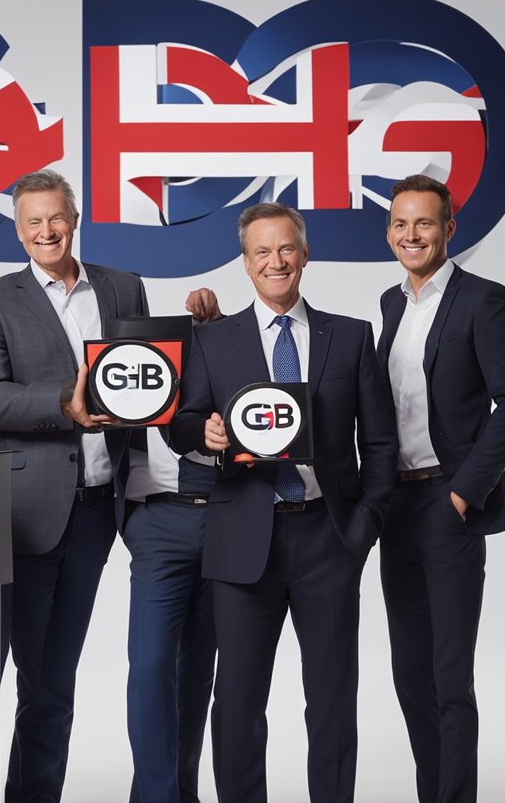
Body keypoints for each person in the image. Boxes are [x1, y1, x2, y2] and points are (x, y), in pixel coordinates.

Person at [169, 202, 396, 803]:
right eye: (262, 252)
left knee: (330, 701)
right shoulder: (213, 341)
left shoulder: (349, 337)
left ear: (304, 254)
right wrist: (205, 434)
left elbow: (378, 440)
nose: (276, 262)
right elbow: (182, 422)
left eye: (286, 249)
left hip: (329, 537)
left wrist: (364, 526)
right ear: (245, 264)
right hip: (244, 538)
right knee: (239, 703)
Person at [0, 169, 149, 803]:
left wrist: (199, 324)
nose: (47, 231)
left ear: (75, 219)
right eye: (32, 222)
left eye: (56, 218)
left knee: (56, 676)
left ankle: (33, 792)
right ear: (18, 232)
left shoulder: (124, 288)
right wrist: (60, 406)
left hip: (101, 510)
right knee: (32, 676)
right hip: (25, 512)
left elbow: (154, 382)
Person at [376, 175, 505, 802]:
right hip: (397, 506)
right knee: (410, 676)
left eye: (423, 223)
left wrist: (462, 494)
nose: (410, 235)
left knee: (448, 679)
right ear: (389, 232)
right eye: (400, 224)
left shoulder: (483, 300)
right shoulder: (391, 305)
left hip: (448, 503)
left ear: (450, 229)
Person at [123, 292, 222, 803]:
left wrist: (216, 328)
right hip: (159, 520)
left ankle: (179, 791)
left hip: (226, 518)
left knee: (196, 674)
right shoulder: (124, 351)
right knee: (151, 667)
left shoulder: (216, 337)